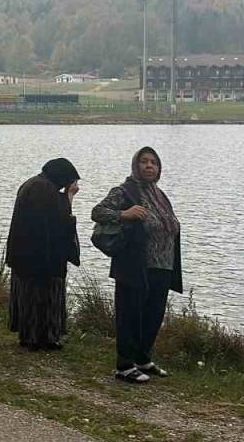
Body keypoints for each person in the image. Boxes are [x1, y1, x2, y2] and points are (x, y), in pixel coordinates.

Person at [91, 146, 184, 384]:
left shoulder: (160, 195)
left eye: (154, 162)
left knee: (153, 314)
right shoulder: (125, 191)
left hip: (162, 266)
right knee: (130, 314)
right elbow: (98, 212)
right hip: (135, 264)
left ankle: (143, 358)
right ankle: (124, 365)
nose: (149, 166)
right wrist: (124, 214)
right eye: (144, 161)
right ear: (136, 165)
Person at [6, 158, 81, 351]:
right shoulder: (44, 189)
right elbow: (60, 221)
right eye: (70, 181)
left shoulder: (35, 184)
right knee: (43, 297)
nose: (70, 186)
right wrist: (69, 197)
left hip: (26, 255)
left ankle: (31, 336)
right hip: (41, 257)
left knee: (30, 297)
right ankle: (43, 338)